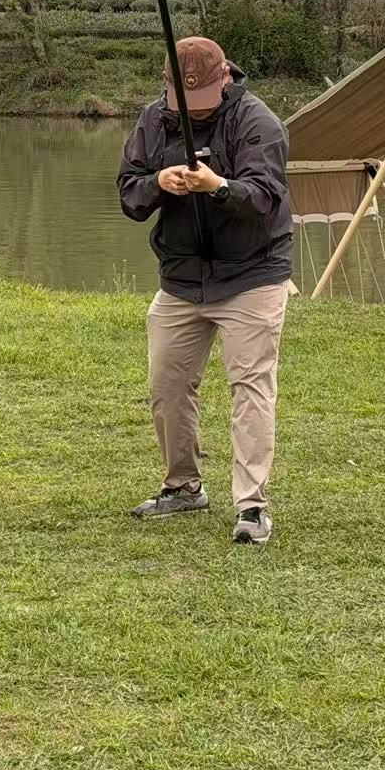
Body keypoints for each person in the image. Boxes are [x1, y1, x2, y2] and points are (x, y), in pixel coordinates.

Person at [117, 36, 293, 545]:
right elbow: (128, 191)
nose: (189, 111)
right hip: (181, 278)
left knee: (251, 388)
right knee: (166, 384)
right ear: (167, 88)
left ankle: (252, 506)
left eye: (201, 102)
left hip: (252, 275)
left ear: (225, 79)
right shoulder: (153, 120)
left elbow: (264, 197)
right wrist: (159, 183)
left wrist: (217, 186)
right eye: (180, 102)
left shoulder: (258, 122)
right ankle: (183, 486)